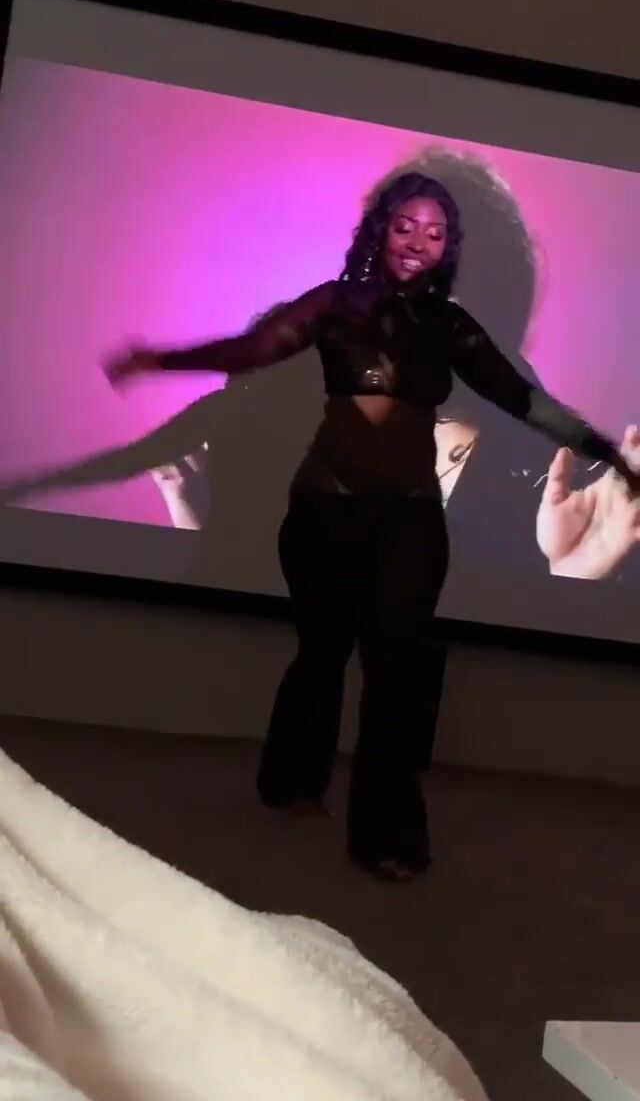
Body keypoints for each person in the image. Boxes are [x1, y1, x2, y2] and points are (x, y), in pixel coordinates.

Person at [102, 168, 640, 883]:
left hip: (408, 519)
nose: (418, 242)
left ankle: (386, 836)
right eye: (405, 226)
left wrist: (609, 454)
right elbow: (251, 349)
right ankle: (292, 781)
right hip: (326, 508)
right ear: (380, 231)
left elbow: (523, 400)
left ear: (449, 249)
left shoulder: (450, 328)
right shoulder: (335, 305)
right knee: (323, 653)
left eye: (435, 233)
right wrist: (158, 360)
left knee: (396, 669)